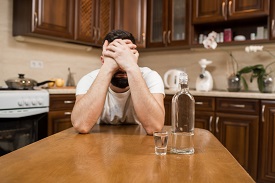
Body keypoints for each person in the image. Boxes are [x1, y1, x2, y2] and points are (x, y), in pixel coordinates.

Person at [71, 30, 165, 135]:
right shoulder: (89, 79)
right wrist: (107, 67)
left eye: (125, 58)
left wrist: (131, 67)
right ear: (103, 61)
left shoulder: (150, 77)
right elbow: (81, 125)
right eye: (115, 58)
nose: (121, 66)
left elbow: (155, 127)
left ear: (135, 59)